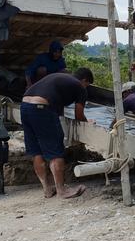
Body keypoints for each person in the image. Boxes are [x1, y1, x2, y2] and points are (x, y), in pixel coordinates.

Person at [20, 68, 95, 199]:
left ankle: (47, 190)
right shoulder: (80, 88)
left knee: (36, 151)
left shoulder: (59, 78)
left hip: (25, 106)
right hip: (42, 108)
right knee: (55, 150)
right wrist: (88, 122)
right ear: (84, 81)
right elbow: (79, 115)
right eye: (87, 85)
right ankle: (61, 190)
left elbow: (58, 109)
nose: (86, 88)